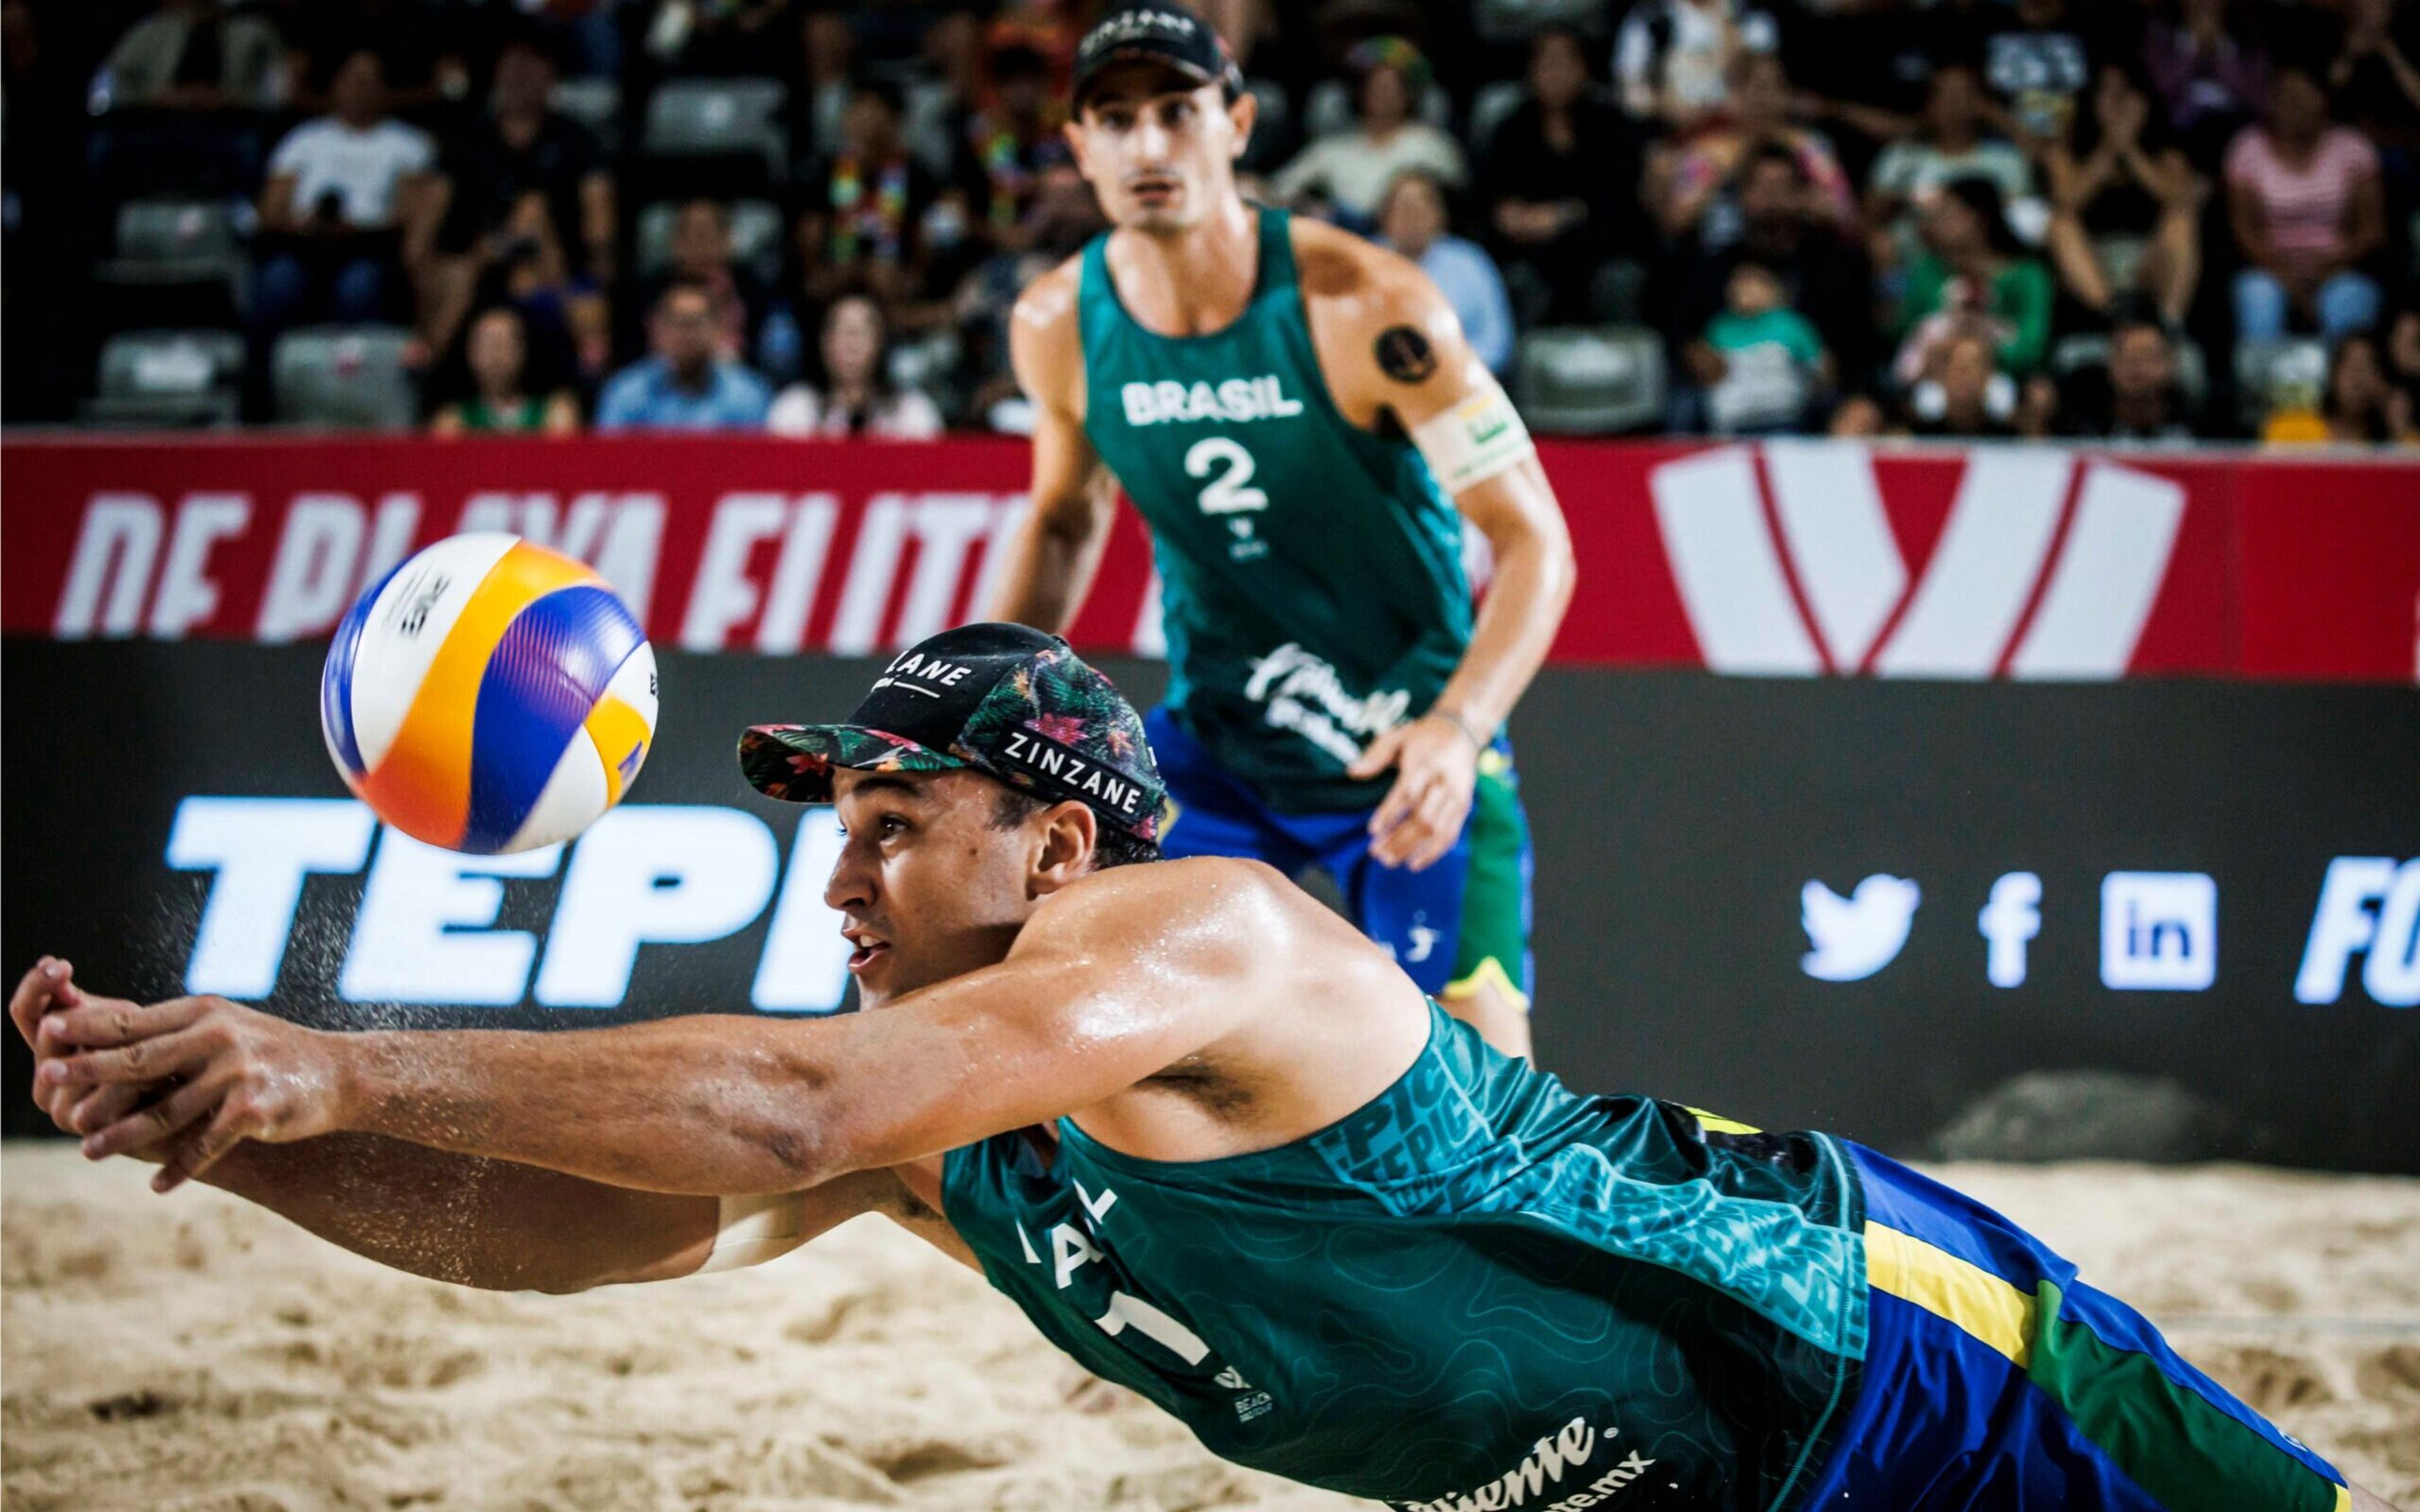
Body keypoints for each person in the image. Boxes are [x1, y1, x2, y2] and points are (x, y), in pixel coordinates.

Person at [16, 622, 2404, 1512]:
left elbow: (784, 1113)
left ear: (1051, 843)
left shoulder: (1201, 934)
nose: (837, 877)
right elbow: (604, 1236)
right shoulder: (962, 1126)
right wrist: (246, 1143)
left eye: (888, 819)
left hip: (1874, 1364)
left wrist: (340, 1057)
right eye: (832, 828)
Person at [986, 4, 1576, 1060]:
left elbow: (1536, 542)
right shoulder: (1056, 324)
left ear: (1239, 123)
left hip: (1405, 756)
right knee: (1044, 1009)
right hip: (1217, 749)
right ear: (1079, 147)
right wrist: (981, 701)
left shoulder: (1368, 302)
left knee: (1487, 1105)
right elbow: (1067, 521)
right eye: (1115, 120)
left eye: (1178, 110)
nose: (1149, 144)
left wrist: (1459, 726)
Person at [417, 36, 615, 358]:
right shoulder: (468, 140)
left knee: (534, 215)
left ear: (551, 76)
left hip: (557, 268)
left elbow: (599, 225)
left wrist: (592, 267)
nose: (520, 76)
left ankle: (582, 362)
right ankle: (432, 361)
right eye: (513, 66)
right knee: (456, 274)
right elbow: (425, 229)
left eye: (531, 67)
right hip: (475, 266)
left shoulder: (578, 141)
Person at [250, 50, 435, 346]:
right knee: (278, 283)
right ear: (336, 86)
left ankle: (352, 382)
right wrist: (303, 226)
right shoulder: (303, 139)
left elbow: (409, 214)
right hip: (304, 244)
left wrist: (358, 229)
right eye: (351, 80)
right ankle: (263, 384)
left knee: (358, 288)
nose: (359, 89)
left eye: (368, 81)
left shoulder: (408, 144)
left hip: (369, 247)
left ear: (384, 90)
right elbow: (269, 211)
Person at [1477, 26, 1642, 324]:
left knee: (1621, 278)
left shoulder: (1613, 126)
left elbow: (1618, 200)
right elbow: (1494, 200)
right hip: (1529, 251)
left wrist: (1561, 216)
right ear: (1531, 71)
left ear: (1584, 70)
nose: (1556, 73)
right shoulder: (1510, 129)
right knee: (1515, 279)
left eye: (1566, 63)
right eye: (1547, 63)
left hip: (1601, 247)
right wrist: (1512, 218)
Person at [2225, 63, 2388, 344]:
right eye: (2287, 95)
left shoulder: (2353, 147)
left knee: (2348, 297)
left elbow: (2373, 228)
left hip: (2340, 264)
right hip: (2270, 266)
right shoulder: (2247, 148)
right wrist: (2286, 275)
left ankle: (2347, 380)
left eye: (2304, 95)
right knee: (2257, 294)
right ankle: (2258, 382)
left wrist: (2329, 268)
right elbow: (2243, 230)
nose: (2295, 104)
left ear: (2324, 99)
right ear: (2272, 102)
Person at [2043, 61, 2204, 326]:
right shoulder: (2066, 151)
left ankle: (2168, 325)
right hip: (2091, 263)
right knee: (2061, 223)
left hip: (2150, 260)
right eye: (2107, 92)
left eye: (2125, 93)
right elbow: (2068, 200)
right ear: (2091, 100)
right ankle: (2113, 316)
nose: (2117, 102)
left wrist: (2129, 149)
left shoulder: (2166, 151)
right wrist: (2109, 147)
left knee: (2183, 218)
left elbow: (2174, 198)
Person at [1650, 51, 1855, 246]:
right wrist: (1718, 179)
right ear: (1735, 96)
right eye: (1758, 89)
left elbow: (1847, 215)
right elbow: (1677, 220)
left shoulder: (1809, 148)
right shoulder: (1709, 153)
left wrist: (1800, 201)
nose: (1767, 99)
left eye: (1777, 88)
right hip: (1724, 256)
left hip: (1795, 253)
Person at [1269, 36, 1466, 229]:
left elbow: (1459, 203)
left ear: (1409, 95)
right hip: (1346, 243)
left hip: (1409, 245)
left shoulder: (1433, 145)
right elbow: (1280, 190)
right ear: (1360, 92)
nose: (1383, 94)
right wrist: (1309, 207)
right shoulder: (1331, 149)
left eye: (1392, 87)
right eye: (1375, 86)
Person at [1863, 63, 2035, 273]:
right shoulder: (1901, 156)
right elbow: (1868, 221)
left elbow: (2020, 224)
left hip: (1985, 266)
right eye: (1943, 94)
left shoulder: (2007, 159)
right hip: (1913, 264)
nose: (1953, 104)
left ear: (1981, 103)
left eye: (1964, 94)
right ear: (1928, 102)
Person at [1894, 175, 2055, 382]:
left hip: (2007, 380)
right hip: (1931, 379)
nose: (1935, 223)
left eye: (1947, 214)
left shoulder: (2029, 275)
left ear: (1980, 219)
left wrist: (1975, 356)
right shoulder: (1927, 270)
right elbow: (1903, 332)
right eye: (1934, 215)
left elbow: (2033, 347)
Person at [1374, 172, 1513, 378]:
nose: (1412, 219)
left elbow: (1497, 341)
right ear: (1385, 217)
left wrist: (1451, 371)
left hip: (1460, 385)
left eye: (1420, 209)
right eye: (1403, 209)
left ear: (1439, 215)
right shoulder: (1362, 261)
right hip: (1380, 388)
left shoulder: (1470, 263)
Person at [594, 279, 773, 431]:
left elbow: (757, 466)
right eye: (678, 323)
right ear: (657, 328)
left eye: (697, 323)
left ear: (718, 328)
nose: (687, 333)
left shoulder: (748, 394)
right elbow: (608, 463)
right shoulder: (625, 393)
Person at [768, 291, 945, 438]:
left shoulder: (913, 412)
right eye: (840, 331)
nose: (851, 344)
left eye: (861, 332)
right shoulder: (795, 409)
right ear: (823, 343)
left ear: (881, 343)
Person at [1688, 260, 1831, 434]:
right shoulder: (1719, 328)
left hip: (1782, 421)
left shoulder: (1793, 326)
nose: (1743, 288)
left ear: (1772, 289)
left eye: (1752, 281)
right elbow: (1707, 377)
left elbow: (1822, 371)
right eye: (1738, 282)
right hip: (1731, 423)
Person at [1613, 0, 1778, 131]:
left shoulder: (1750, 16)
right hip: (1674, 133)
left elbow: (1769, 83)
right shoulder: (1652, 17)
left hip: (1741, 130)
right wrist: (1663, 106)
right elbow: (1631, 93)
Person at [430, 304, 580, 436]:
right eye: (487, 345)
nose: (497, 356)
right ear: (470, 353)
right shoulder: (452, 421)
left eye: (504, 344)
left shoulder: (554, 414)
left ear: (524, 350)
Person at [2055, 315, 2202, 442]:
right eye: (2126, 357)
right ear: (2110, 364)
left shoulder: (2201, 425)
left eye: (2147, 356)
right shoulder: (2079, 426)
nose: (2136, 367)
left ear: (2171, 365)